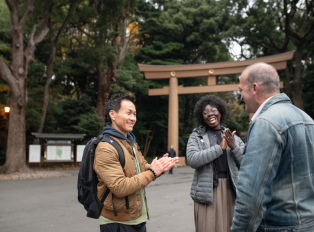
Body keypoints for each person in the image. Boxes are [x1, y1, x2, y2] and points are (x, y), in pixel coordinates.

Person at [231, 62, 314, 232]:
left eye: (241, 90)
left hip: (279, 226)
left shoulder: (266, 123)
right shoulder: (307, 119)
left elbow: (251, 196)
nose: (240, 97)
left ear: (255, 88)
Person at [94, 93, 178, 232]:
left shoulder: (131, 143)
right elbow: (119, 187)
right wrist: (153, 172)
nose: (133, 118)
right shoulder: (106, 148)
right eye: (129, 113)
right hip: (117, 222)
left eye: (134, 114)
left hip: (137, 218)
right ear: (112, 114)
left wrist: (160, 167)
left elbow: (144, 168)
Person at [186, 95, 245, 232]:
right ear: (202, 116)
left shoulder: (233, 136)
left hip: (231, 190)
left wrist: (233, 147)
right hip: (207, 191)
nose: (210, 114)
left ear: (220, 112)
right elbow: (193, 159)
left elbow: (245, 163)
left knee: (232, 227)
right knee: (208, 227)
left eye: (213, 110)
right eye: (205, 112)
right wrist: (219, 148)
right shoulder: (197, 136)